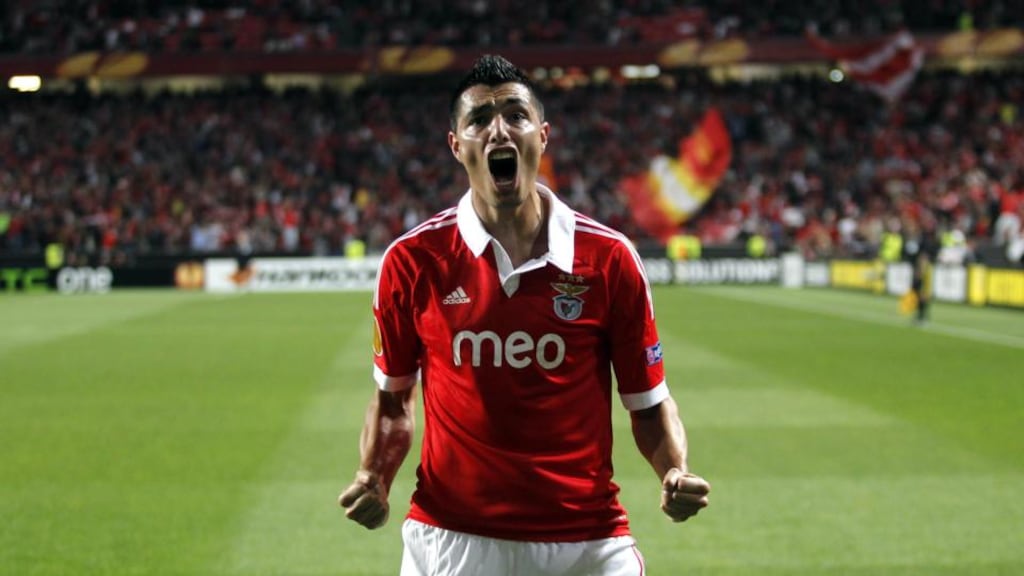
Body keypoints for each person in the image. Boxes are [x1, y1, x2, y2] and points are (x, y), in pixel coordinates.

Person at [338, 54, 710, 576]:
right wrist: (374, 475)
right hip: (454, 537)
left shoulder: (609, 259)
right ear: (456, 145)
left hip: (588, 541)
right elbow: (392, 400)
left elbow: (648, 403)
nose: (499, 130)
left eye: (515, 115)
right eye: (479, 119)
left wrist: (674, 470)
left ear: (543, 135)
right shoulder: (412, 261)